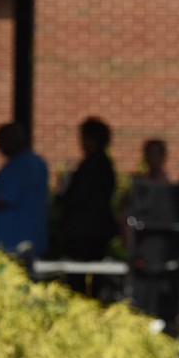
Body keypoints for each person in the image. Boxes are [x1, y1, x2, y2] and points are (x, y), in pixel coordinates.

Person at [53, 116, 119, 295]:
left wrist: (62, 193)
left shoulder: (91, 165)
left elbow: (76, 197)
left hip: (83, 232)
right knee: (95, 275)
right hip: (96, 230)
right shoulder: (106, 165)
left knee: (77, 277)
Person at [0, 122, 49, 257]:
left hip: (10, 241)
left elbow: (2, 200)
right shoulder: (38, 163)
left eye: (1, 140)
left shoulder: (17, 166)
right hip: (33, 238)